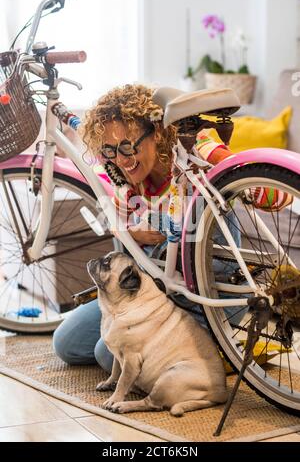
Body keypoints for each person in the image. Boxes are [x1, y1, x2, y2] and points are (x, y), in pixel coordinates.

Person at [52, 84, 242, 372]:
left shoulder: (192, 150)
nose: (122, 159)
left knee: (108, 355)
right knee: (67, 343)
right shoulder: (122, 171)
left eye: (128, 146)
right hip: (155, 291)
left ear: (155, 132)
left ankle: (213, 348)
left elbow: (244, 170)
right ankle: (176, 349)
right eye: (110, 150)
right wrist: (131, 232)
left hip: (209, 295)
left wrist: (261, 183)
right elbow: (114, 220)